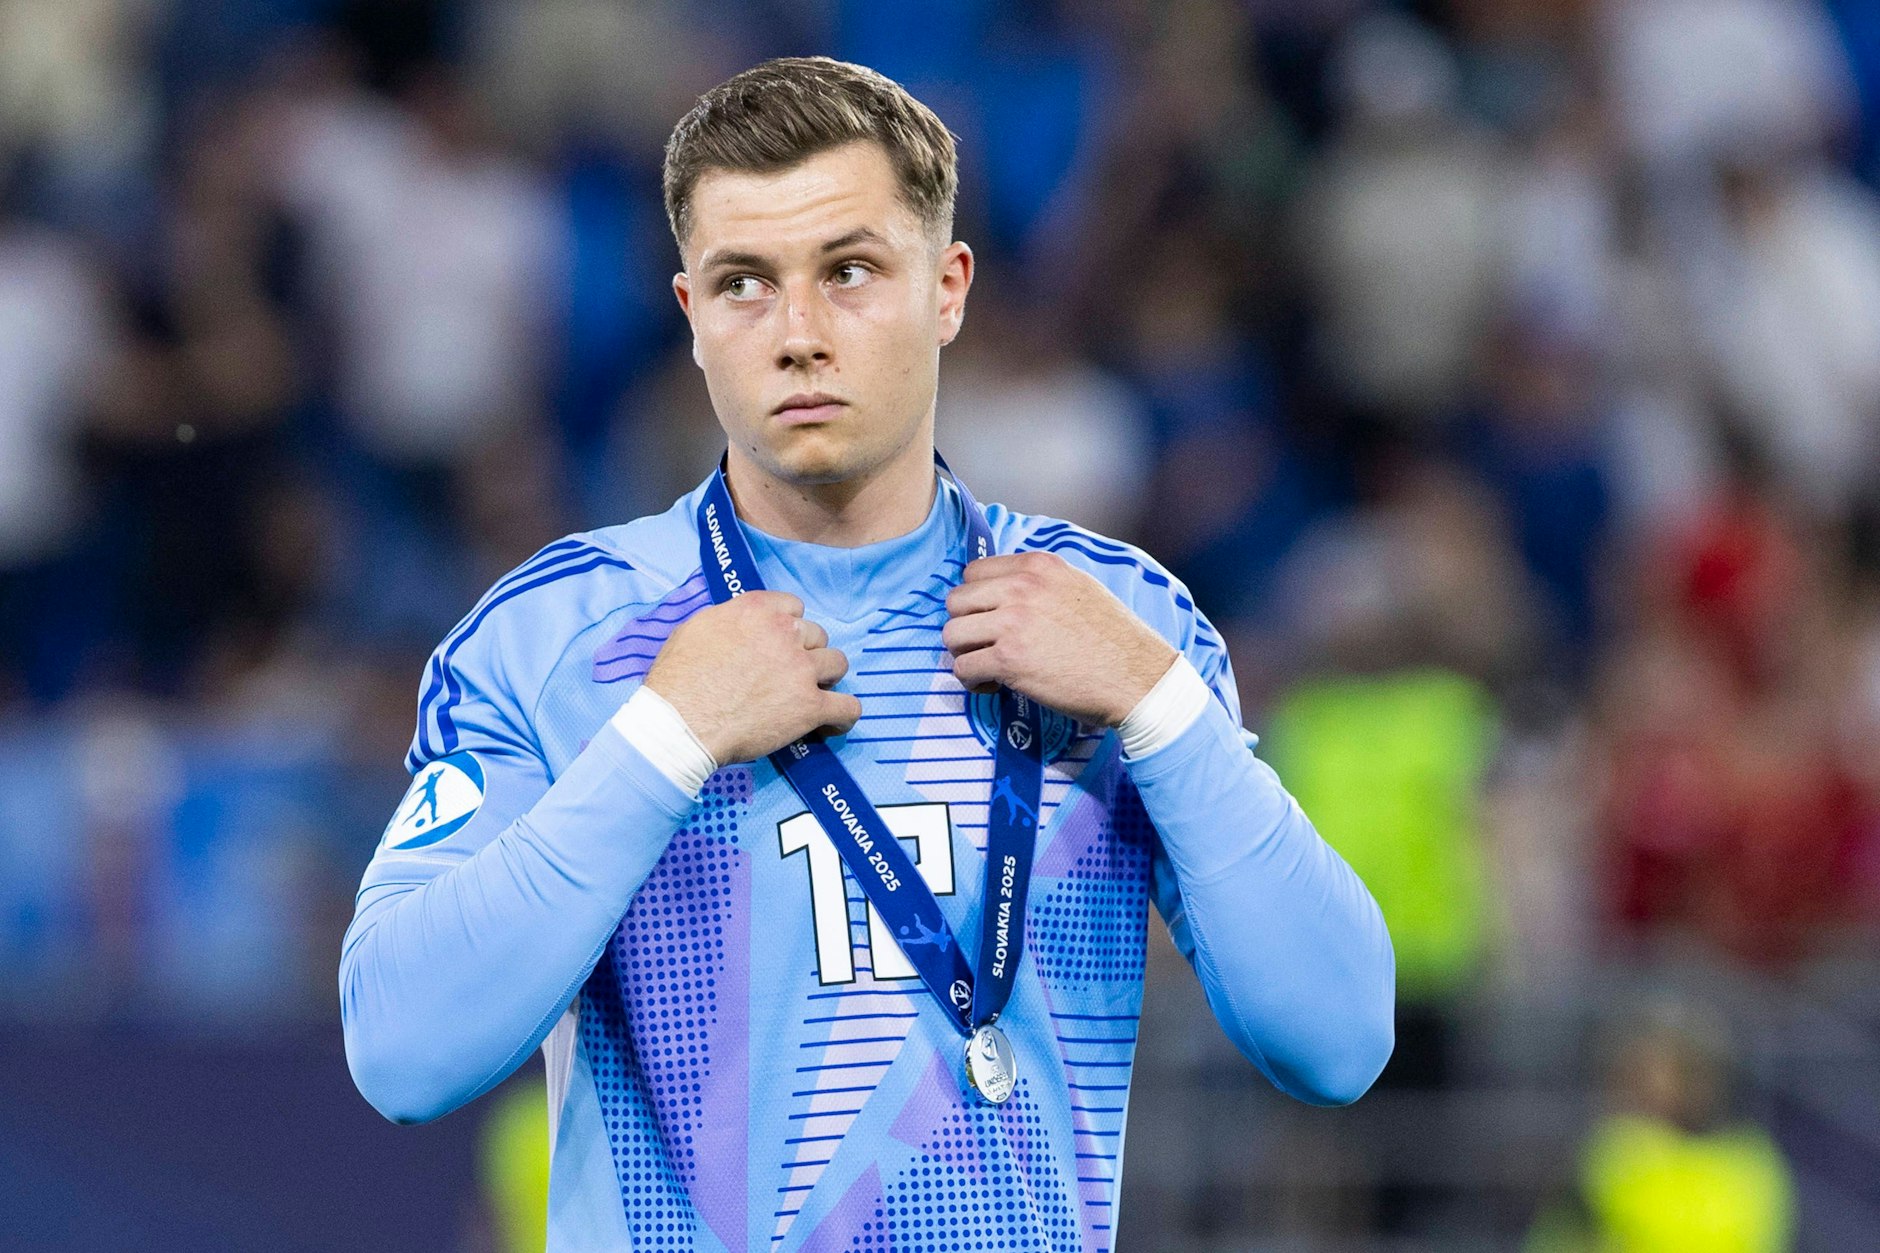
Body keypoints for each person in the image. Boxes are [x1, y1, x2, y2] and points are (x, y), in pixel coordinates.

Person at [339, 57, 1395, 1251]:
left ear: (945, 289)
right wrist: (664, 736)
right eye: (744, 284)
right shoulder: (552, 636)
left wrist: (1160, 706)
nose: (797, 336)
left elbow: (1338, 1038)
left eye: (847, 272)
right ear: (690, 318)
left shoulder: (1117, 620)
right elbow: (401, 1049)